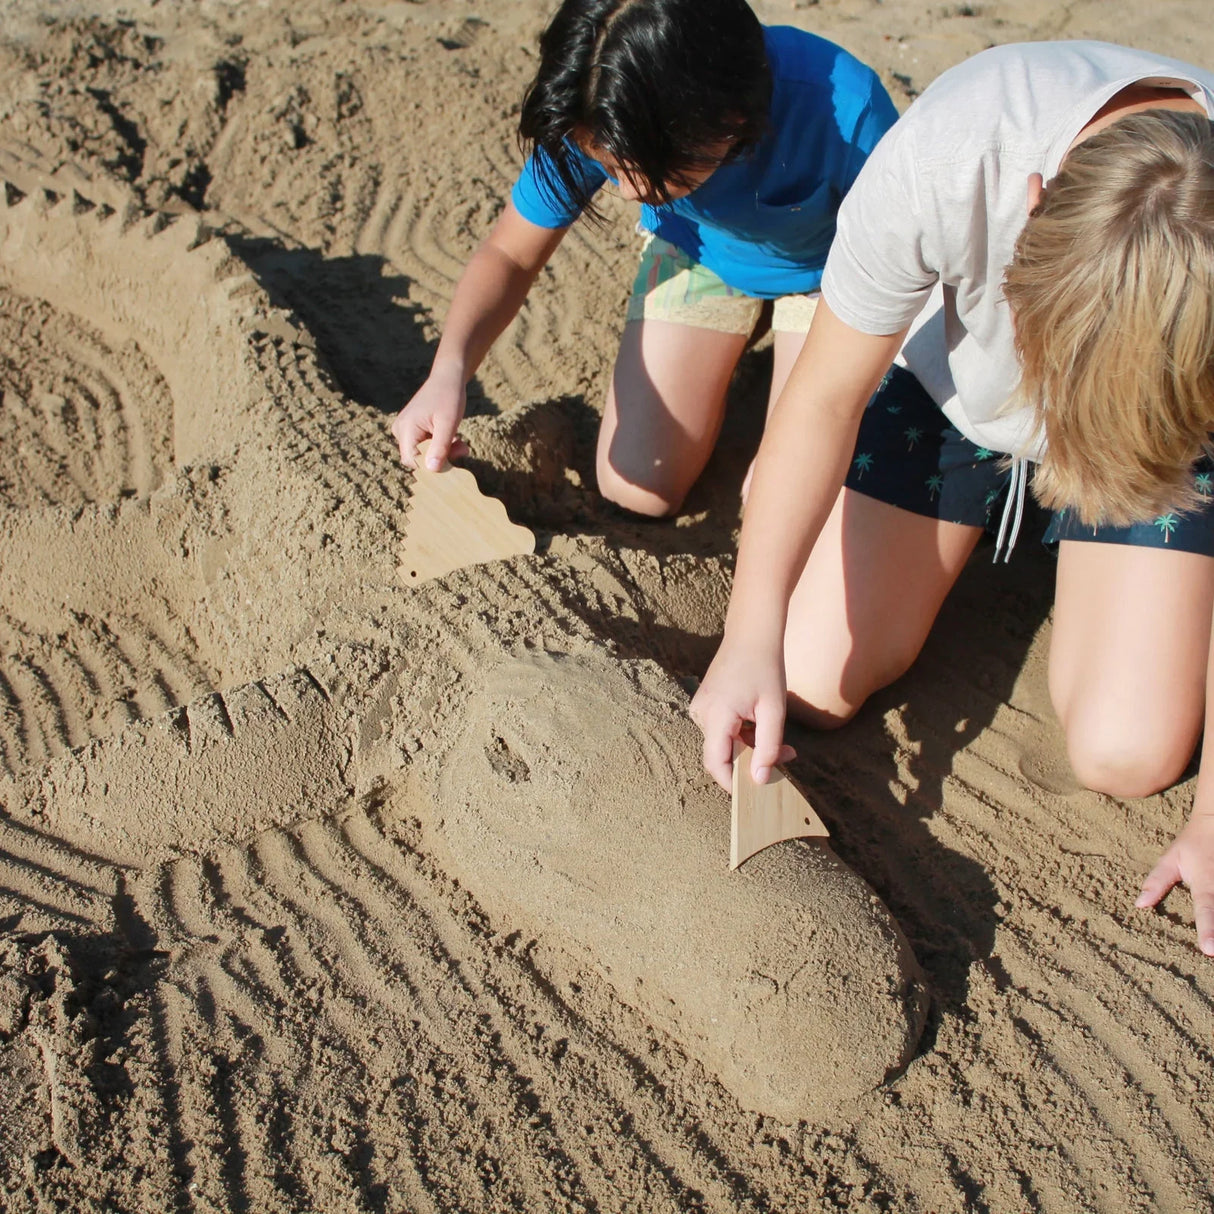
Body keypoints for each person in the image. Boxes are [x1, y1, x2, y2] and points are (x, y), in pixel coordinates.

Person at [688, 40, 1214, 957]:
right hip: (960, 398)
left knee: (1125, 753)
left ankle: (1095, 554)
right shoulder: (953, 152)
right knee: (804, 678)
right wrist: (747, 636)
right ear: (1035, 202)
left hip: (1154, 439)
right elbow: (821, 399)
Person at [391, 0, 896, 518]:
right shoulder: (598, 98)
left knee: (783, 503)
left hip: (832, 277)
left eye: (652, 171)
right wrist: (448, 371)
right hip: (701, 251)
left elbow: (905, 277)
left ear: (730, 119)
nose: (628, 191)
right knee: (636, 489)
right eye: (609, 167)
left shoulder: (850, 114)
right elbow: (509, 254)